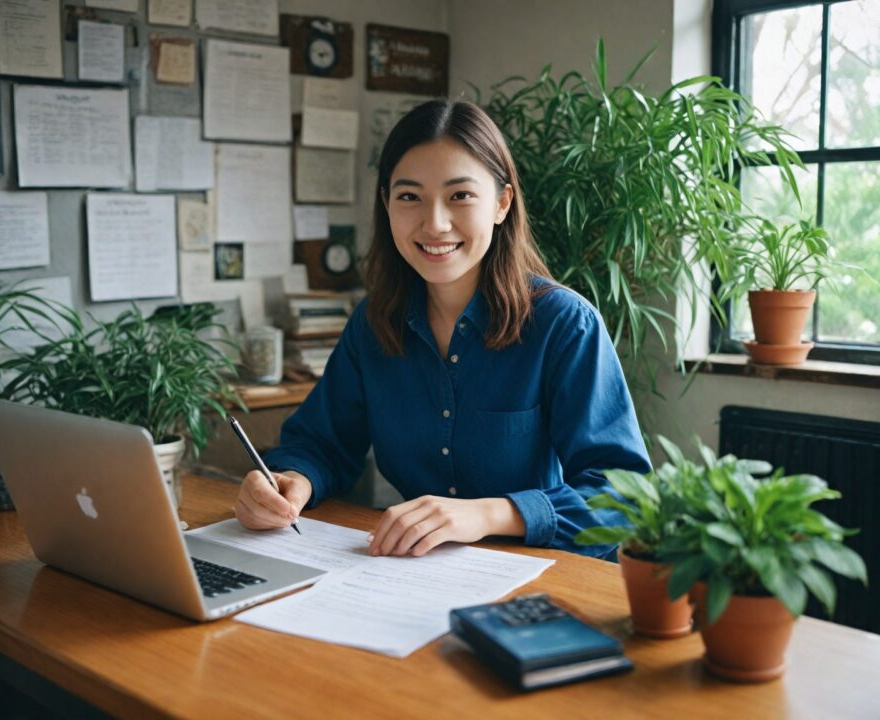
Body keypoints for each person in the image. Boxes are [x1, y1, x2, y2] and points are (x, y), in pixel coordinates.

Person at [234, 99, 650, 558]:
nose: (434, 223)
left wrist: (487, 514)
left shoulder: (564, 325)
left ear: (502, 203)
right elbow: (320, 444)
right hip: (411, 572)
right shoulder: (375, 323)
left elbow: (624, 498)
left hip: (539, 584)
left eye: (460, 195)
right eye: (409, 196)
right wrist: (291, 482)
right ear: (387, 204)